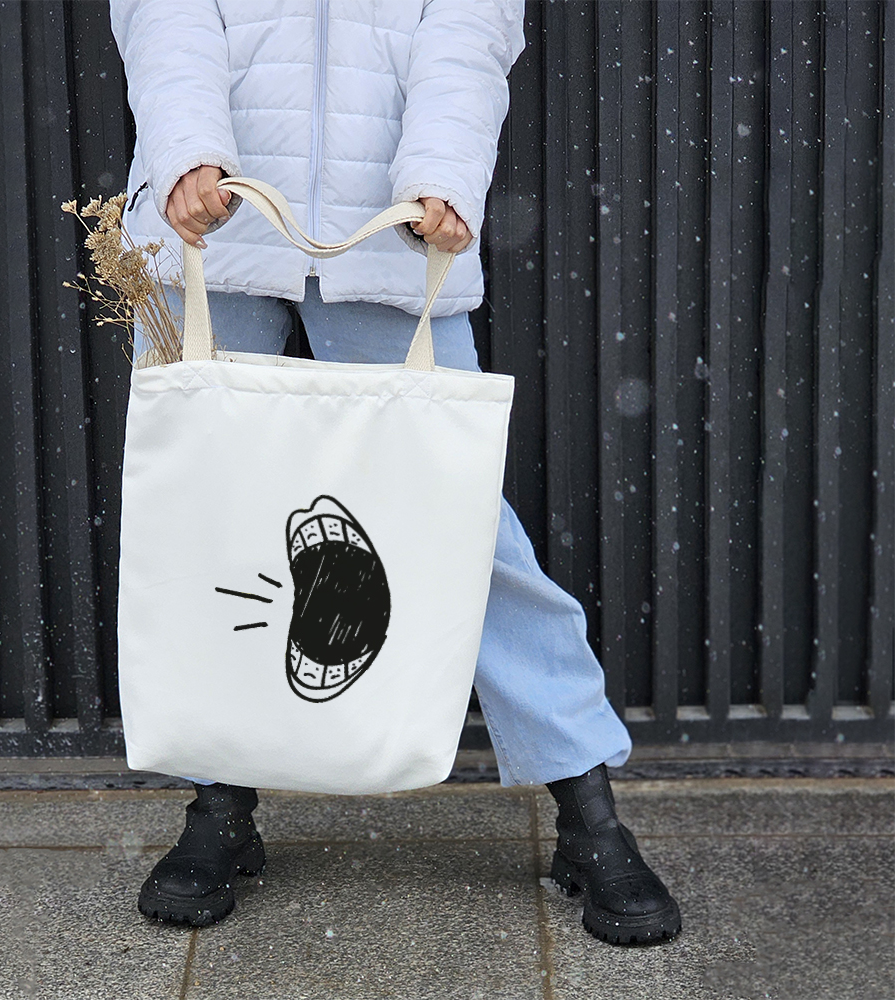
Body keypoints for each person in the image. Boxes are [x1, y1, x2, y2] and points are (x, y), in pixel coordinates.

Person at [110, 0, 681, 946]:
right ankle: (218, 803)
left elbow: (468, 26)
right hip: (211, 228)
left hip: (391, 232)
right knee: (211, 530)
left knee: (463, 530)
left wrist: (443, 174)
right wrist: (186, 153)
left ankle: (588, 812)